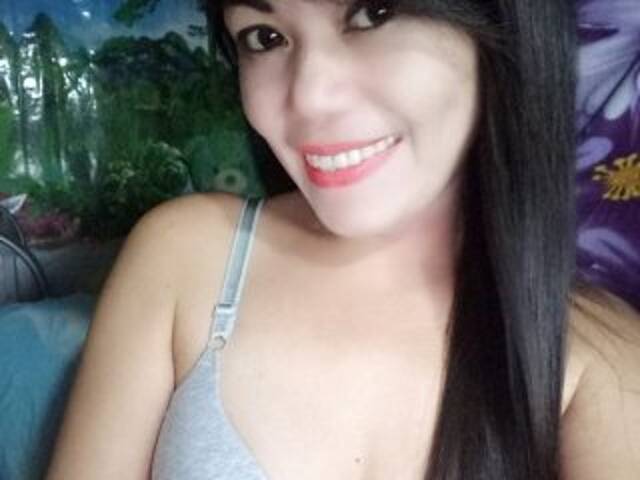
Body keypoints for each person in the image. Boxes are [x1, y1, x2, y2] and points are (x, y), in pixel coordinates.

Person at [46, 0, 640, 479]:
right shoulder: (186, 254)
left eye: (374, 13)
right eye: (264, 37)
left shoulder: (602, 359)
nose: (309, 96)